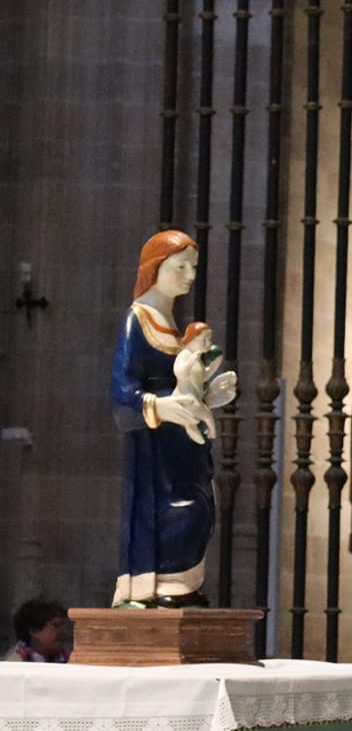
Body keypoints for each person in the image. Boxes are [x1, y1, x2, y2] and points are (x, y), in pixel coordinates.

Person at [110, 230, 235, 606]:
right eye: (179, 266)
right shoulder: (138, 321)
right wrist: (160, 407)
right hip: (156, 449)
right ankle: (156, 588)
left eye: (193, 267)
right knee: (180, 512)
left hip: (184, 447)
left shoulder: (170, 322)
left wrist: (209, 396)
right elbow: (120, 391)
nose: (189, 276)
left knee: (202, 506)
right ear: (154, 268)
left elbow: (183, 382)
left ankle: (182, 587)